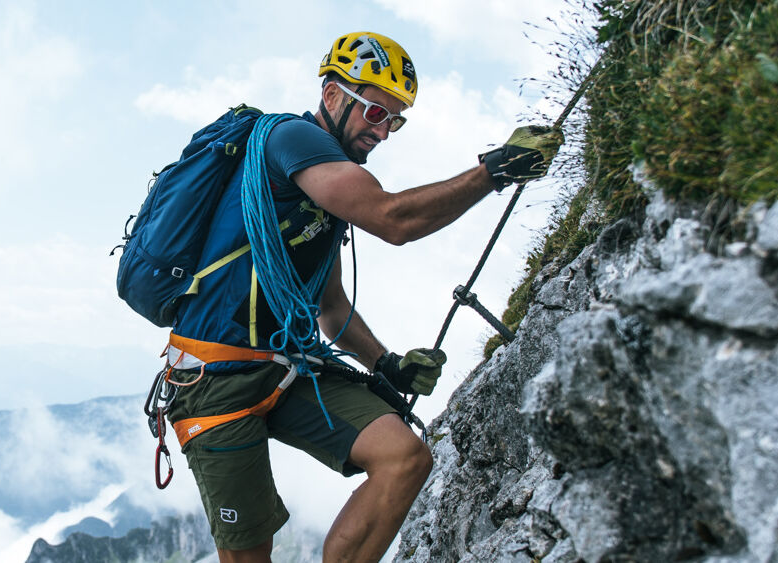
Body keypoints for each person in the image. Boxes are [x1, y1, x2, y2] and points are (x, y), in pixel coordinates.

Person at [159, 32, 562, 563]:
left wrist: (386, 365)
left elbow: (329, 307)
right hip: (213, 380)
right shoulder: (292, 139)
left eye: (395, 121)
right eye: (375, 112)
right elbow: (393, 219)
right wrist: (494, 170)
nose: (384, 132)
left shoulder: (318, 197)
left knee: (404, 458)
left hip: (287, 365)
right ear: (332, 96)